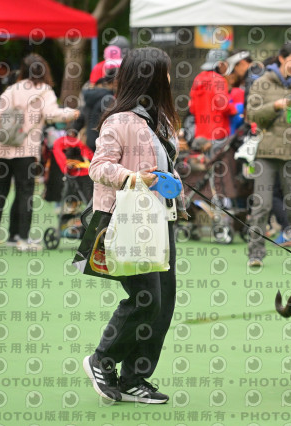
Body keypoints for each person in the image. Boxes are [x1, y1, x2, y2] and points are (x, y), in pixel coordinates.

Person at [84, 47, 185, 404]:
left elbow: (165, 168)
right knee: (146, 299)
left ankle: (134, 377)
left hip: (161, 219)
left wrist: (172, 185)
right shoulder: (120, 121)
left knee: (163, 302)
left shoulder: (160, 120)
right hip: (127, 220)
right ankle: (102, 359)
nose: (170, 79)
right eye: (166, 72)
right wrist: (134, 178)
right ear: (152, 78)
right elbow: (98, 167)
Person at [0, 53, 79, 251]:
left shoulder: (12, 89)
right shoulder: (45, 91)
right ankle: (22, 239)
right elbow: (52, 114)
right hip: (25, 150)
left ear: (23, 69)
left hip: (2, 148)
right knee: (25, 193)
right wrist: (71, 113)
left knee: (0, 191)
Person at [245, 42, 291, 267]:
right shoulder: (262, 82)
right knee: (262, 204)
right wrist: (275, 105)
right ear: (282, 59)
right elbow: (252, 114)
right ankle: (255, 253)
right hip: (265, 153)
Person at [189, 49, 237, 146]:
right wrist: (234, 111)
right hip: (218, 133)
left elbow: (192, 108)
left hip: (201, 135)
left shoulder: (198, 78)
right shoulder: (218, 80)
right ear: (220, 64)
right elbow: (223, 105)